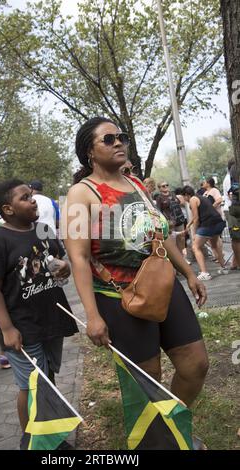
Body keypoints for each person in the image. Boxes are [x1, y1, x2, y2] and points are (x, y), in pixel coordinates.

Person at [63, 116, 208, 412]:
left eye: (122, 137)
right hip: (119, 297)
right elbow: (78, 257)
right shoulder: (82, 193)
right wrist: (92, 315)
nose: (118, 142)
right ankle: (157, 441)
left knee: (196, 364)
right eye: (108, 139)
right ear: (89, 151)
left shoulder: (135, 184)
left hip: (162, 284)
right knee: (146, 380)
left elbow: (160, 234)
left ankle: (172, 426)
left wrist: (189, 273)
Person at [0, 179, 78, 437]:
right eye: (24, 197)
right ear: (8, 209)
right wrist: (8, 328)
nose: (33, 200)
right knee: (32, 385)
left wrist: (64, 267)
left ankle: (51, 436)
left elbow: (57, 260)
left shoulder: (44, 229)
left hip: (50, 319)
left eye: (31, 195)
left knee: (48, 378)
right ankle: (31, 439)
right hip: (20, 326)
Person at [181, 185, 228, 281]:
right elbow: (196, 217)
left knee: (195, 247)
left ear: (186, 195)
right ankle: (223, 268)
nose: (184, 199)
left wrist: (194, 233)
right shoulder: (201, 197)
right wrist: (188, 225)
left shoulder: (193, 200)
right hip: (218, 222)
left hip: (208, 225)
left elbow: (196, 218)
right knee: (214, 246)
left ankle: (204, 273)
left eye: (183, 196)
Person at [156, 182, 186, 255]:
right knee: (172, 240)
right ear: (159, 188)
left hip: (179, 219)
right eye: (163, 186)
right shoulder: (159, 198)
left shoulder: (172, 194)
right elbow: (158, 211)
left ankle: (183, 258)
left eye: (167, 185)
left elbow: (179, 202)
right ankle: (176, 258)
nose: (166, 186)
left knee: (181, 239)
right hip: (170, 222)